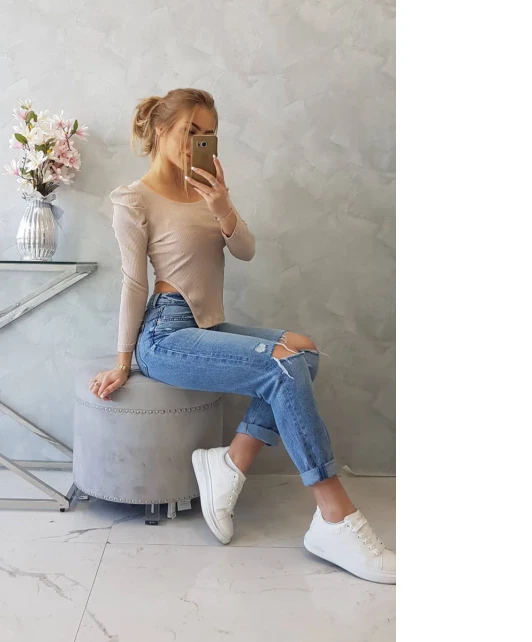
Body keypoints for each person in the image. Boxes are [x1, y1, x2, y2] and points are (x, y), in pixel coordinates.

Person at [89, 88, 395, 584]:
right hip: (165, 334)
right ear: (161, 130)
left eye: (208, 134)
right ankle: (335, 518)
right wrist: (124, 360)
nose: (198, 141)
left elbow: (246, 250)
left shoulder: (207, 192)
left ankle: (229, 465)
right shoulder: (134, 199)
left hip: (206, 327)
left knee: (304, 352)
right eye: (189, 131)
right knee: (282, 365)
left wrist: (223, 205)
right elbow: (133, 283)